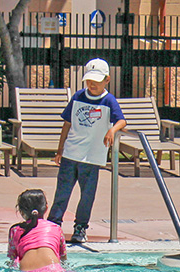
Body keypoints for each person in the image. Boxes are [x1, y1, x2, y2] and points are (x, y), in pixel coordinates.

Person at [48, 58, 126, 244]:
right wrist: (60, 149)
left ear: (107, 80)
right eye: (89, 81)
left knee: (87, 196)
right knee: (62, 193)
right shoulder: (77, 97)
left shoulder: (108, 100)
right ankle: (53, 226)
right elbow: (67, 123)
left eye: (96, 81)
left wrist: (112, 130)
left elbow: (121, 120)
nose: (92, 85)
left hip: (91, 158)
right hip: (71, 154)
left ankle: (80, 227)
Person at [7, 188, 75, 272]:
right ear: (46, 208)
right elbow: (63, 258)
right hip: (53, 269)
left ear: (21, 212)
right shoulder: (55, 228)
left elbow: (13, 260)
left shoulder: (15, 230)